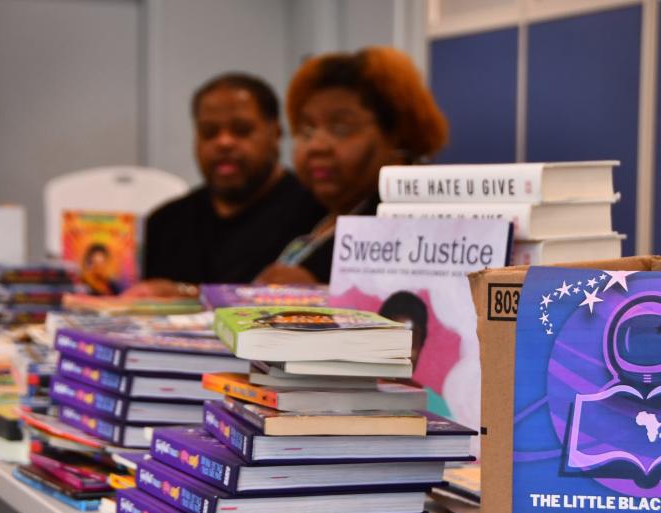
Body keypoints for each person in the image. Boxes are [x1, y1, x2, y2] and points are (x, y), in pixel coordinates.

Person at [256, 47, 448, 284]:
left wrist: (320, 296)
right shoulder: (307, 209)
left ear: (396, 134)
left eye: (341, 128)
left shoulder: (416, 222)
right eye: (307, 130)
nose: (316, 146)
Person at [129, 73, 324, 295]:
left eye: (242, 130)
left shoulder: (316, 215)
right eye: (209, 132)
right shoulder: (164, 223)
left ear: (276, 134)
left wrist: (185, 294)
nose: (224, 142)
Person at [379, 291, 451, 417]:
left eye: (410, 342)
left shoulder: (436, 406)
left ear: (421, 345)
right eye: (393, 340)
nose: (401, 352)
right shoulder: (357, 396)